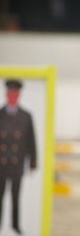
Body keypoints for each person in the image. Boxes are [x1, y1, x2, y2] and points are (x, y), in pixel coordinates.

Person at [0, 79, 37, 235]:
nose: (12, 95)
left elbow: (31, 140)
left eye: (15, 93)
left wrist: (33, 161)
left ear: (18, 95)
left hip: (17, 164)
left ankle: (15, 225)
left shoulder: (26, 116)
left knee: (16, 197)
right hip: (1, 165)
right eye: (10, 92)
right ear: (6, 94)